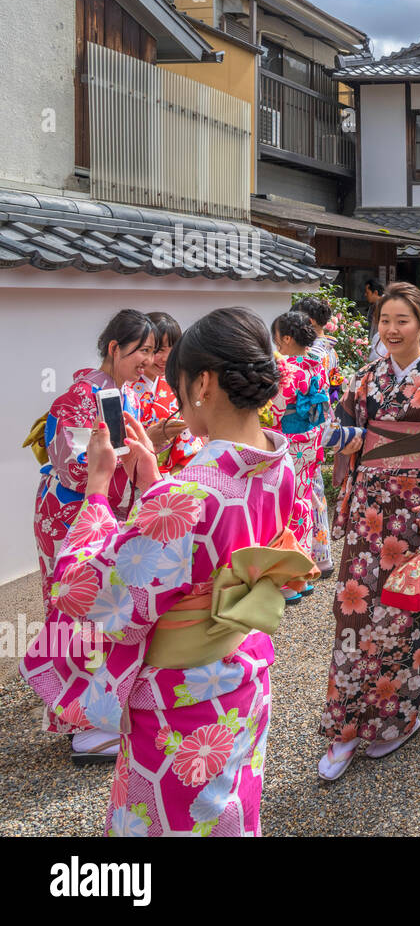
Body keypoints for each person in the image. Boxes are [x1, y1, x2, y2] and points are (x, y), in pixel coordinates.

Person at [22, 308, 316, 834]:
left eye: (179, 382)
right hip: (242, 671)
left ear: (202, 382)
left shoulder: (190, 493)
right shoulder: (279, 462)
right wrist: (156, 482)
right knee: (228, 807)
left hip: (182, 698)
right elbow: (200, 542)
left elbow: (87, 591)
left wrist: (97, 489)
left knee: (172, 819)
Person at [318, 283, 420, 781]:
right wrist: (338, 440)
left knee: (402, 617)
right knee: (353, 616)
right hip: (367, 514)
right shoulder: (366, 376)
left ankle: (396, 720)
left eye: (402, 321)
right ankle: (344, 726)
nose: (391, 330)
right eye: (384, 321)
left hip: (412, 516)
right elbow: (344, 429)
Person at [26, 310, 154, 764]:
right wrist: (125, 457)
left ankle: (90, 709)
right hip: (68, 514)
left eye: (152, 350)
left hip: (102, 512)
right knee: (72, 606)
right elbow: (76, 469)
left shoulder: (120, 394)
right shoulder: (77, 398)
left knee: (97, 612)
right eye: (141, 350)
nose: (148, 360)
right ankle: (74, 720)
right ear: (115, 348)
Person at [268, 311, 332, 602]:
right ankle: (303, 574)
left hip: (289, 440)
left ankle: (287, 579)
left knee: (283, 506)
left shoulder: (286, 369)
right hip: (310, 439)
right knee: (303, 501)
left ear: (286, 338)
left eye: (277, 338)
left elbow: (275, 409)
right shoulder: (316, 363)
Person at [291, 296, 345, 575]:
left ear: (309, 322)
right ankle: (321, 555)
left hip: (306, 424)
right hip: (322, 419)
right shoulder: (330, 351)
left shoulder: (311, 354)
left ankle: (317, 556)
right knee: (313, 490)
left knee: (307, 490)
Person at [131, 311, 205, 474]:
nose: (166, 358)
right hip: (133, 472)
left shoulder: (175, 385)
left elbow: (188, 436)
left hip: (172, 474)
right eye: (159, 350)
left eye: (172, 350)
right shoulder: (126, 388)